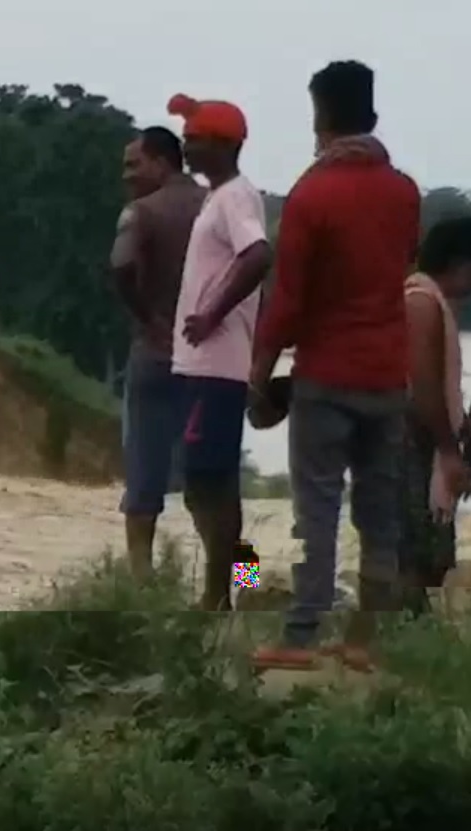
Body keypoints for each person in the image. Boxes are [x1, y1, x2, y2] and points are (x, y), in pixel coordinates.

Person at [250, 61, 422, 671]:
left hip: (319, 377)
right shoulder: (403, 192)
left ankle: (286, 630)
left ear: (321, 116)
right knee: (376, 513)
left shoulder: (310, 194)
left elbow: (286, 299)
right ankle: (363, 640)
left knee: (299, 510)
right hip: (385, 377)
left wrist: (258, 372)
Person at [164, 93, 274, 610]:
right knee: (210, 486)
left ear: (225, 144)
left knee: (210, 485)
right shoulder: (218, 197)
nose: (186, 147)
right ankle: (241, 587)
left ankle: (222, 595)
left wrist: (211, 315)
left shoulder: (235, 197)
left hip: (216, 366)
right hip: (201, 366)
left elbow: (258, 256)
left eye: (194, 139)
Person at [111, 125, 208, 582]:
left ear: (163, 162)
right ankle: (239, 583)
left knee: (143, 479)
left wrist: (147, 317)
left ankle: (140, 582)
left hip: (156, 355)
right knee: (222, 486)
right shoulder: (218, 206)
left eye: (135, 164)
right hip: (213, 365)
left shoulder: (142, 212)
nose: (127, 175)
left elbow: (122, 264)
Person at [399, 217, 471, 614]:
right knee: (414, 547)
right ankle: (239, 588)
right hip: (415, 443)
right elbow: (422, 385)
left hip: (424, 442)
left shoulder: (433, 304)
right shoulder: (422, 303)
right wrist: (448, 449)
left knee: (429, 549)